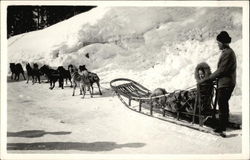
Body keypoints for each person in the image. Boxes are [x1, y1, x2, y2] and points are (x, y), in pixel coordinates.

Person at [199, 31, 237, 133]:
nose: (218, 44)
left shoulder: (228, 53)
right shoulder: (226, 52)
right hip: (225, 82)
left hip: (226, 83)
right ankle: (223, 122)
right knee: (223, 103)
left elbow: (222, 70)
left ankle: (222, 126)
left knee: (222, 103)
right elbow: (223, 70)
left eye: (218, 42)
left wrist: (209, 78)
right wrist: (214, 78)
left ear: (223, 42)